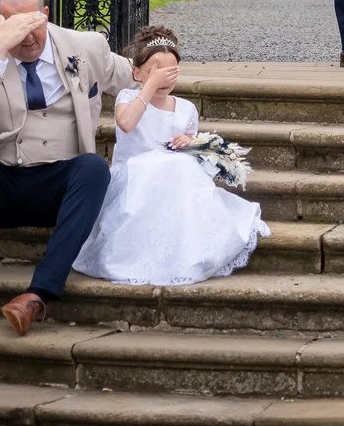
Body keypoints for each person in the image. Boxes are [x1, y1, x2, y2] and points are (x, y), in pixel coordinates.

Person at [0, 0, 135, 336]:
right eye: (14, 26)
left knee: (94, 169)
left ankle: (37, 296)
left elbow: (134, 74)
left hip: (55, 189)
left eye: (33, 24)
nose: (27, 36)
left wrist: (163, 73)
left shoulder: (84, 46)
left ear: (45, 14)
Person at [73, 27, 271, 286]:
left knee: (178, 164)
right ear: (137, 73)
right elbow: (126, 123)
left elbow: (190, 148)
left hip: (172, 182)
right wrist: (148, 88)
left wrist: (190, 142)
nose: (163, 81)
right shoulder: (129, 96)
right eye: (155, 73)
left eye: (171, 73)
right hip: (134, 179)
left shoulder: (186, 108)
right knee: (159, 167)